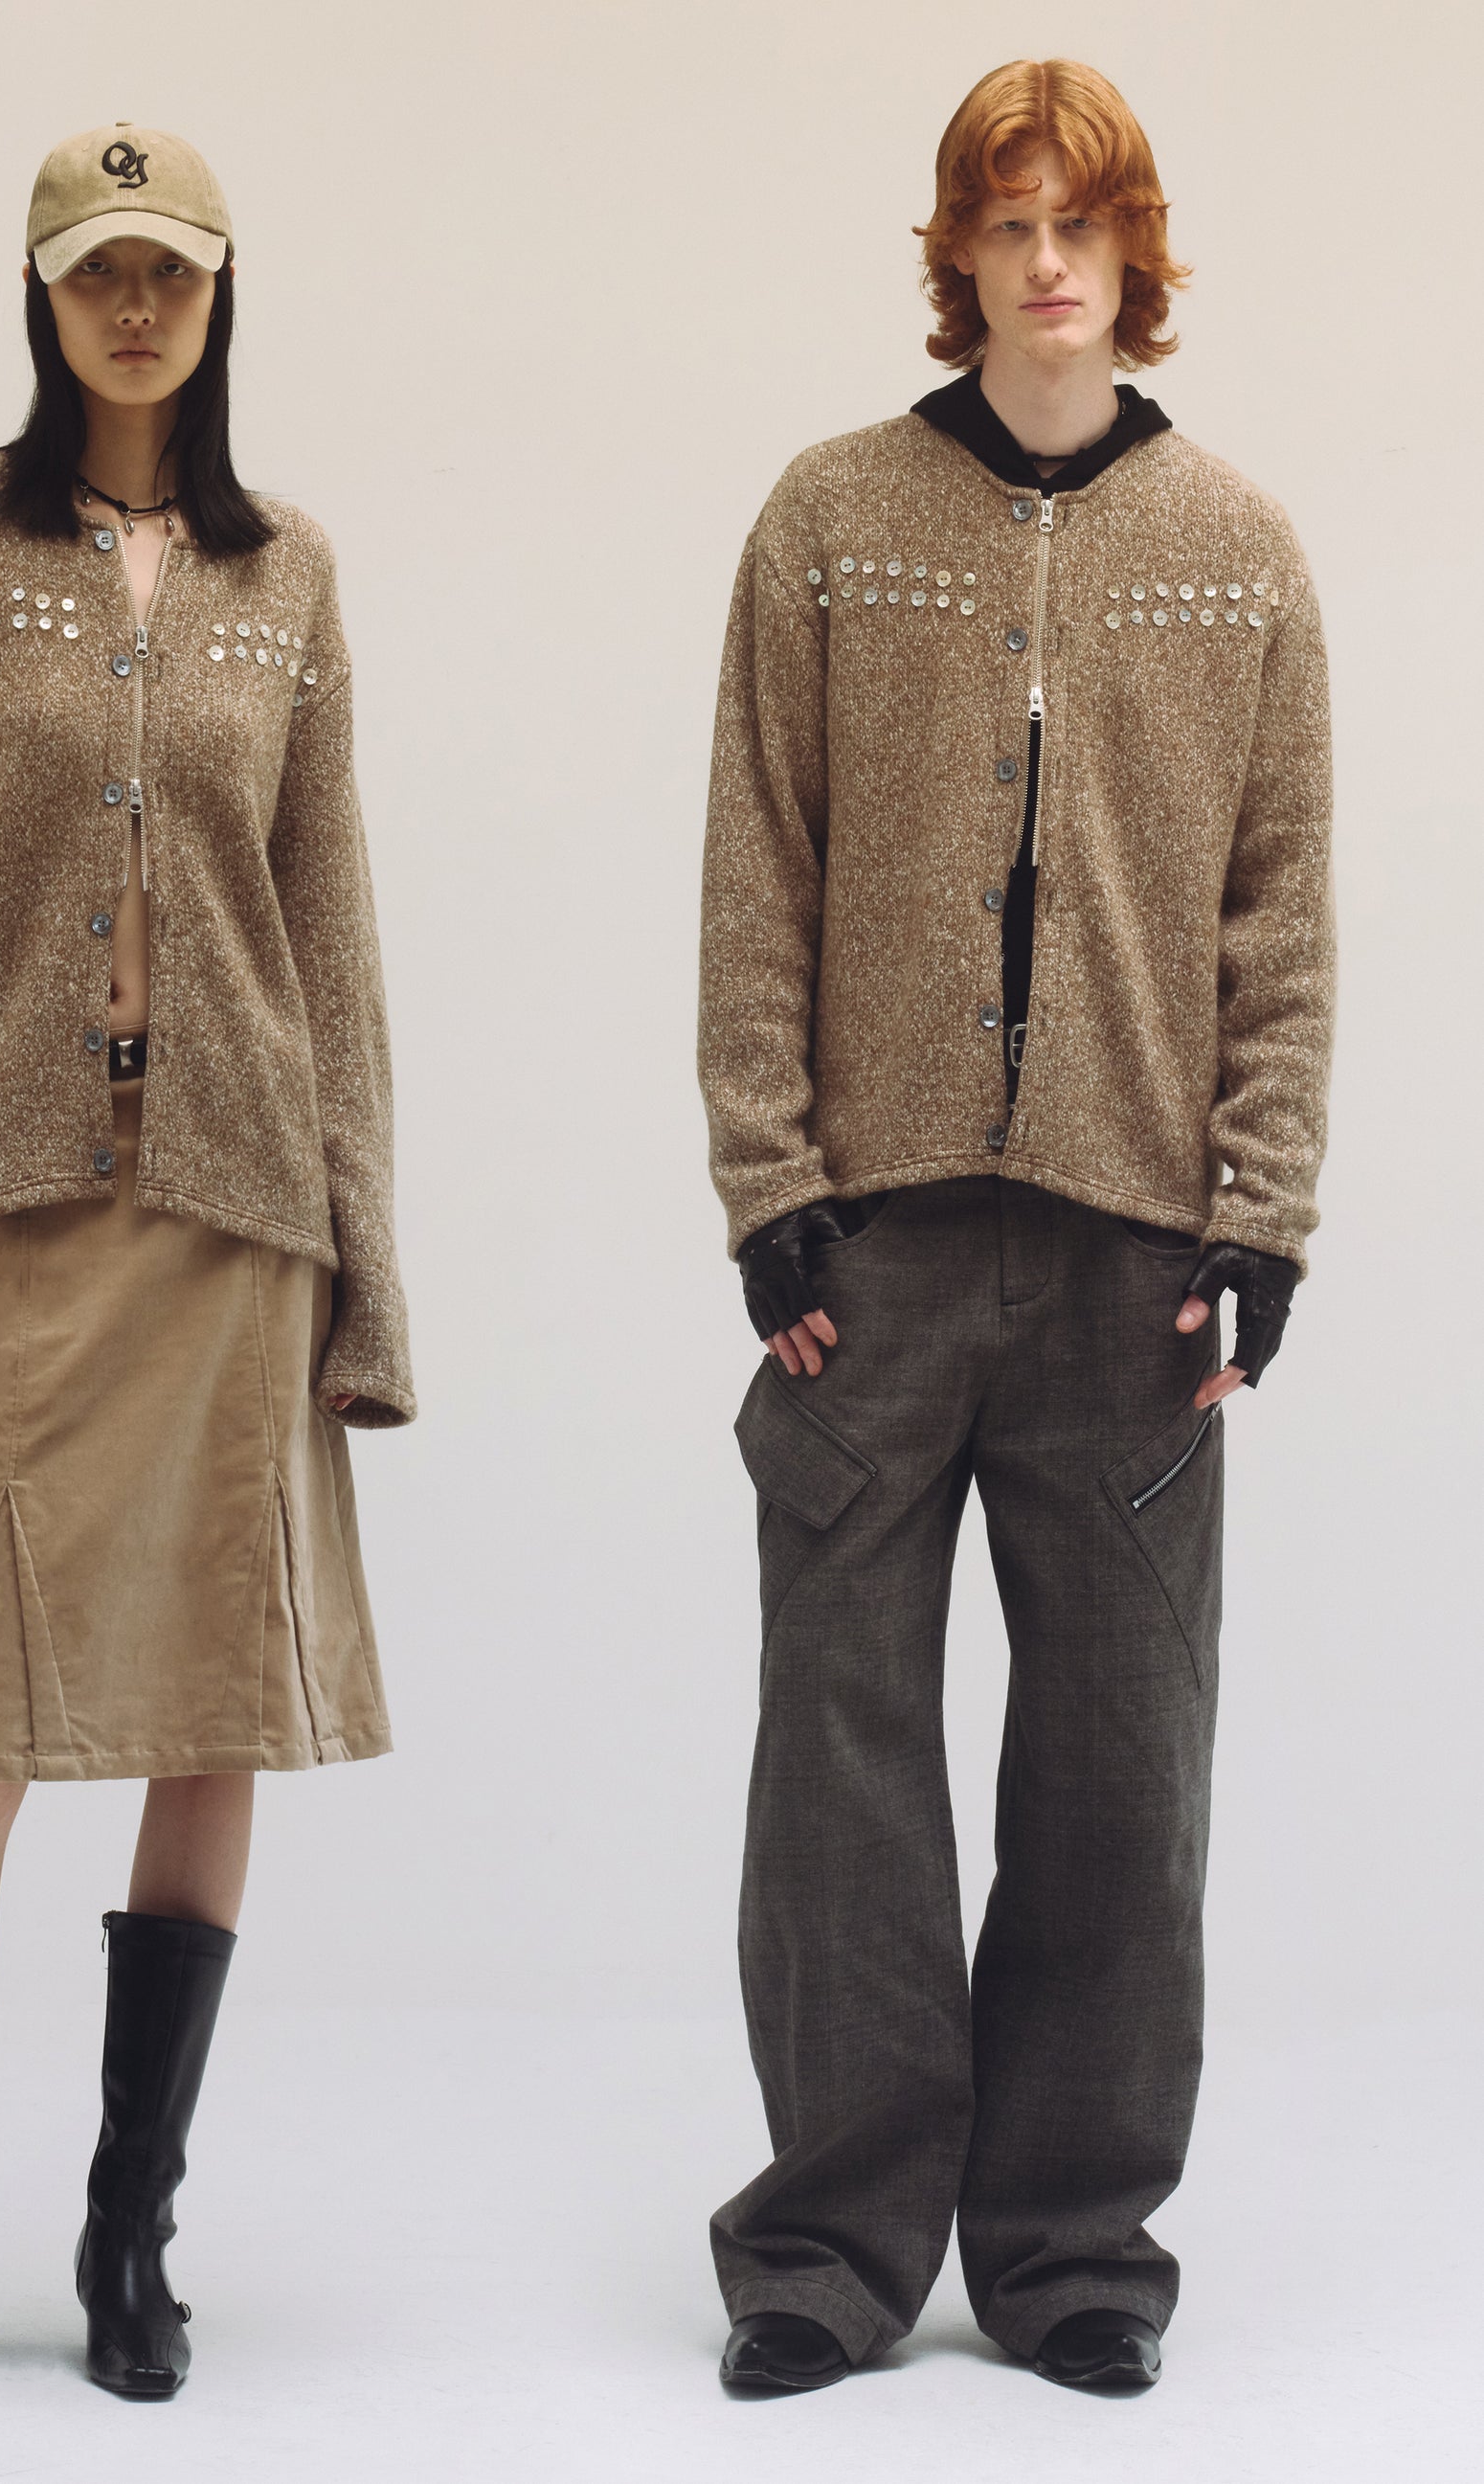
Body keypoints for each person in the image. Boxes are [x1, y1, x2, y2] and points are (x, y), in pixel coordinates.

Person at [697, 57, 1332, 2398]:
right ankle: (828, 2247)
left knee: (1117, 1773)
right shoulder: (830, 520)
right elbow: (757, 861)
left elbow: (1281, 909)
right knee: (840, 1760)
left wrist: (1261, 1209)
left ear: (1132, 253)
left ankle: (1070, 2242)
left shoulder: (1238, 549)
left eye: (1083, 223)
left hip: (1132, 1263)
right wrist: (771, 1186)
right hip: (870, 1254)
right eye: (1006, 220)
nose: (1046, 261)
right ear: (955, 251)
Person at [0, 123, 414, 2402]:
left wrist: (370, 1275)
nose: (136, 306)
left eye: (170, 269)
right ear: (43, 295)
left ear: (222, 291)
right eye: (98, 272)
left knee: (206, 1726)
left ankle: (127, 2235)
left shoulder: (290, 570)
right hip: (29, 1204)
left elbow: (332, 939)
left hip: (243, 1211)